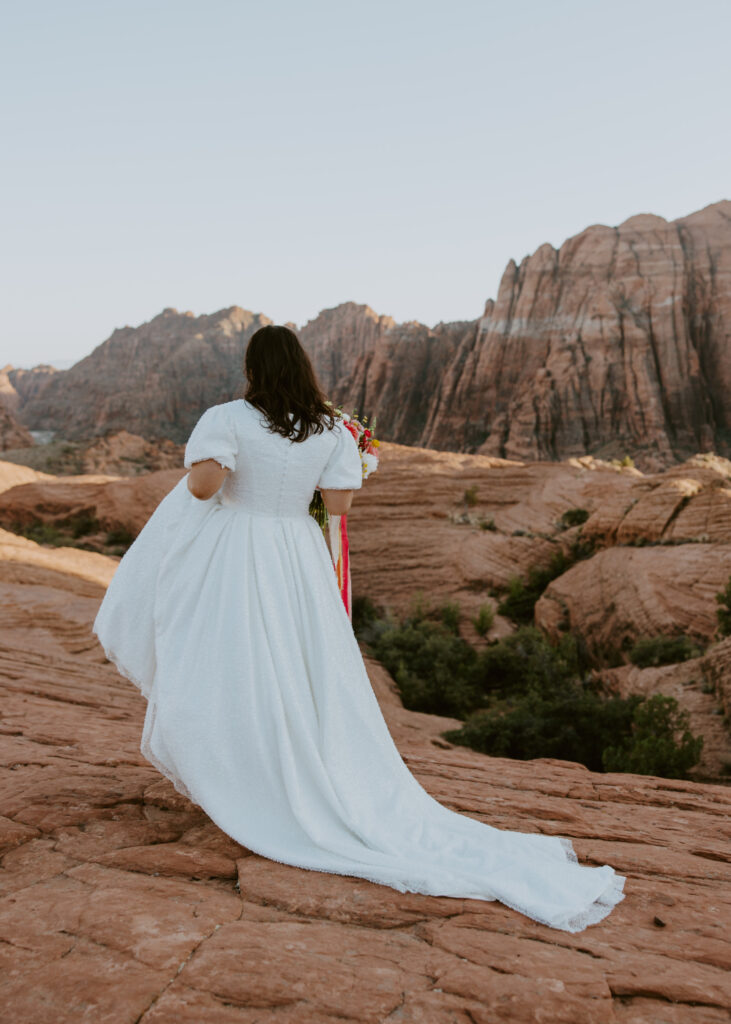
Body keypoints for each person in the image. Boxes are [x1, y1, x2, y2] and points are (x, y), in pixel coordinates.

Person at [93, 324, 626, 933]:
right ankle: (293, 769)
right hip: (296, 553)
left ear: (252, 367)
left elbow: (203, 487)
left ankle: (245, 773)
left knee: (230, 658)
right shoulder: (329, 429)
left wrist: (220, 460)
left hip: (237, 551)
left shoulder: (228, 417)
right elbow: (339, 505)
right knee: (300, 665)